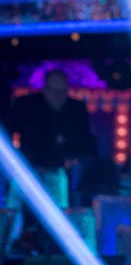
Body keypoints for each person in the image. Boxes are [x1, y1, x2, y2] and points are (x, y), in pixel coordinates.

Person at [8, 68, 97, 251]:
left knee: (59, 213)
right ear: (45, 89)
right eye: (54, 91)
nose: (58, 97)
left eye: (62, 92)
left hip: (56, 170)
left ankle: (56, 249)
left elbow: (86, 141)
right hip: (26, 170)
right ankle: (8, 248)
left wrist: (75, 158)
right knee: (14, 213)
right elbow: (9, 132)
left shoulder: (75, 109)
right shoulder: (27, 105)